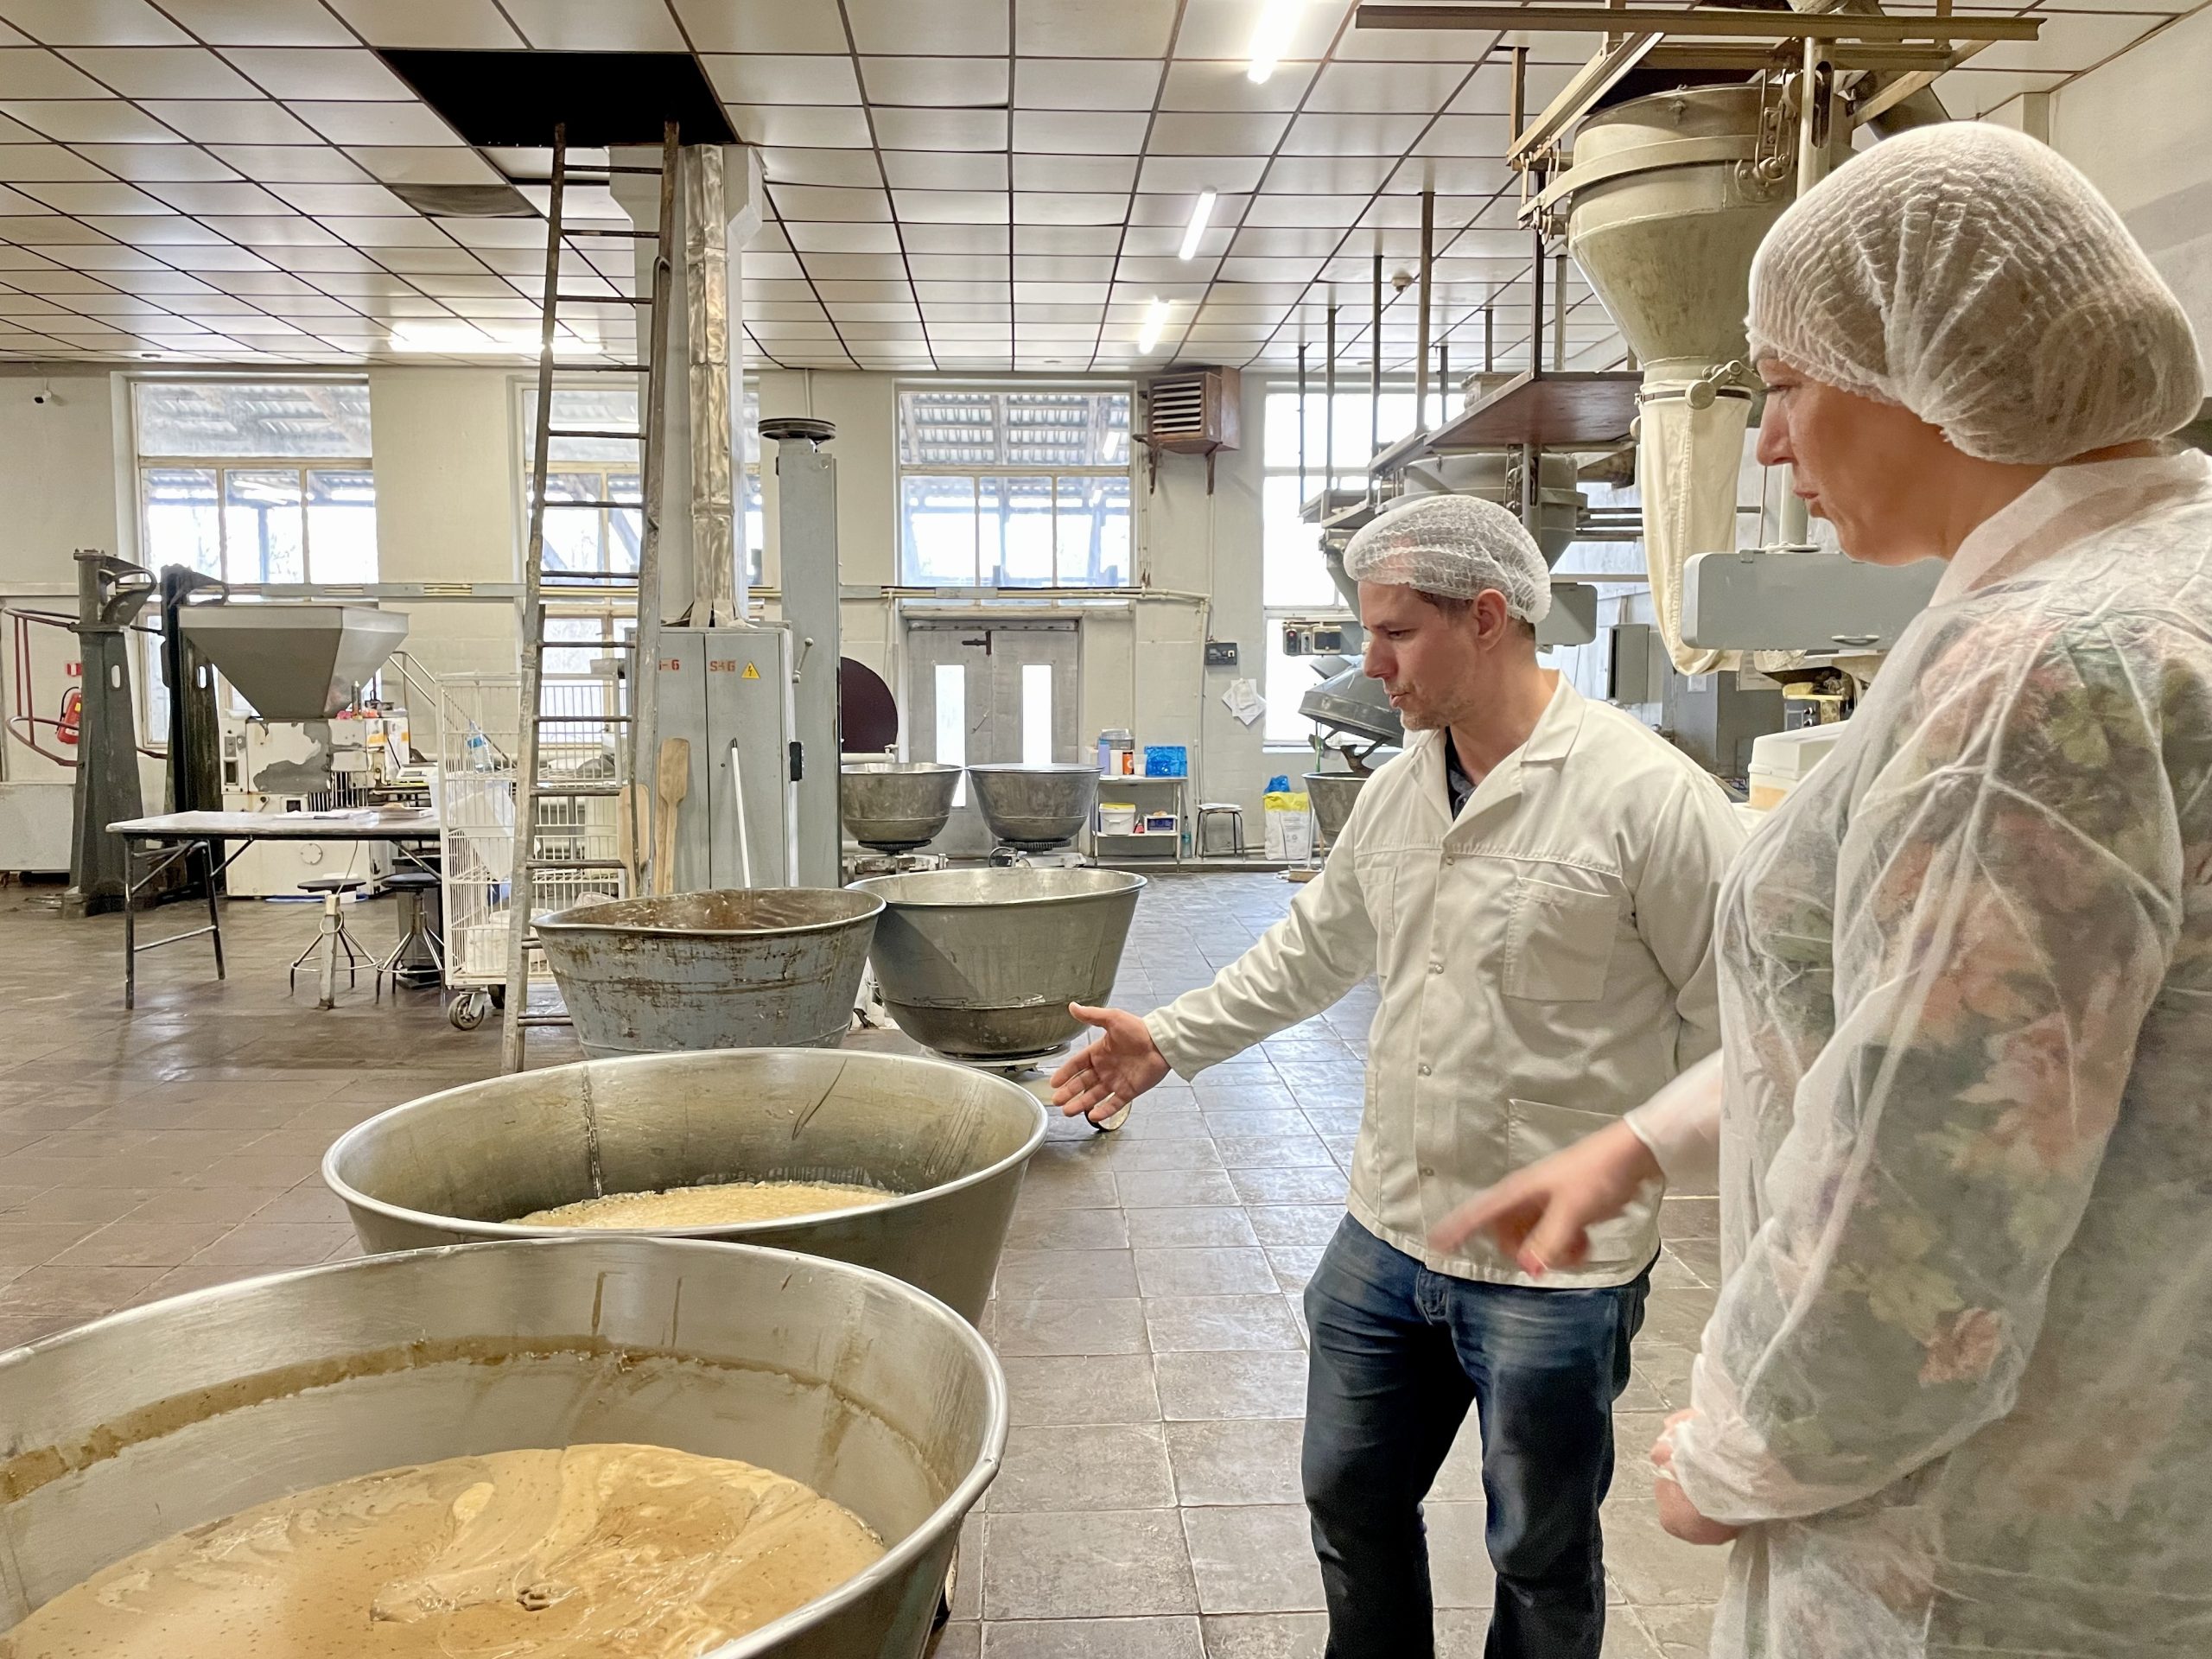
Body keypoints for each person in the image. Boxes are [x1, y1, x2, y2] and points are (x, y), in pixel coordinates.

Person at [1434, 122, 2211, 1659]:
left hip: (1983, 1541)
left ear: (1929, 369)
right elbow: (1952, 1027)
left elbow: (1934, 1182)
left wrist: (1743, 1450)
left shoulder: (2042, 677)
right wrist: (1642, 1141)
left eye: (1784, 385)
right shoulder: (2159, 583)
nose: (1771, 446)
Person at [1051, 492, 1745, 1659]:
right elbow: (1311, 951)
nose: (1371, 665)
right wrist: (1169, 1039)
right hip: (1387, 1236)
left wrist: (1630, 1157)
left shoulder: (1647, 798)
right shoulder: (1399, 791)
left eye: (1395, 633)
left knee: (1539, 1553)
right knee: (1349, 1500)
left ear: (1488, 618)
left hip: (1550, 1270)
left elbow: (1748, 1032)